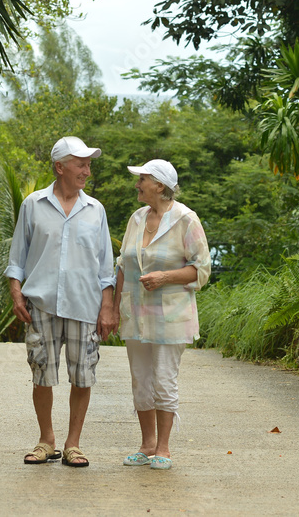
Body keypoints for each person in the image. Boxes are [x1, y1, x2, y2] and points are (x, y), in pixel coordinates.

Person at [6, 136, 117, 468]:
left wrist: (107, 307)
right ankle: (47, 440)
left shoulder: (95, 209)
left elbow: (104, 266)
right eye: (81, 164)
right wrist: (15, 291)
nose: (87, 170)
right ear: (60, 167)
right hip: (42, 303)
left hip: (85, 305)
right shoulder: (33, 204)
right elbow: (18, 256)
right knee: (42, 373)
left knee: (83, 375)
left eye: (88, 164)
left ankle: (73, 444)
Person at [115, 159, 211, 471]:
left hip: (171, 314)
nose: (137, 184)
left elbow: (202, 269)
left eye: (142, 178)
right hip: (136, 313)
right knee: (140, 380)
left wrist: (165, 277)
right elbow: (122, 265)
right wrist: (112, 308)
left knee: (163, 380)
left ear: (160, 185)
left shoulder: (185, 218)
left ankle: (164, 448)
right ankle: (146, 444)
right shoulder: (137, 218)